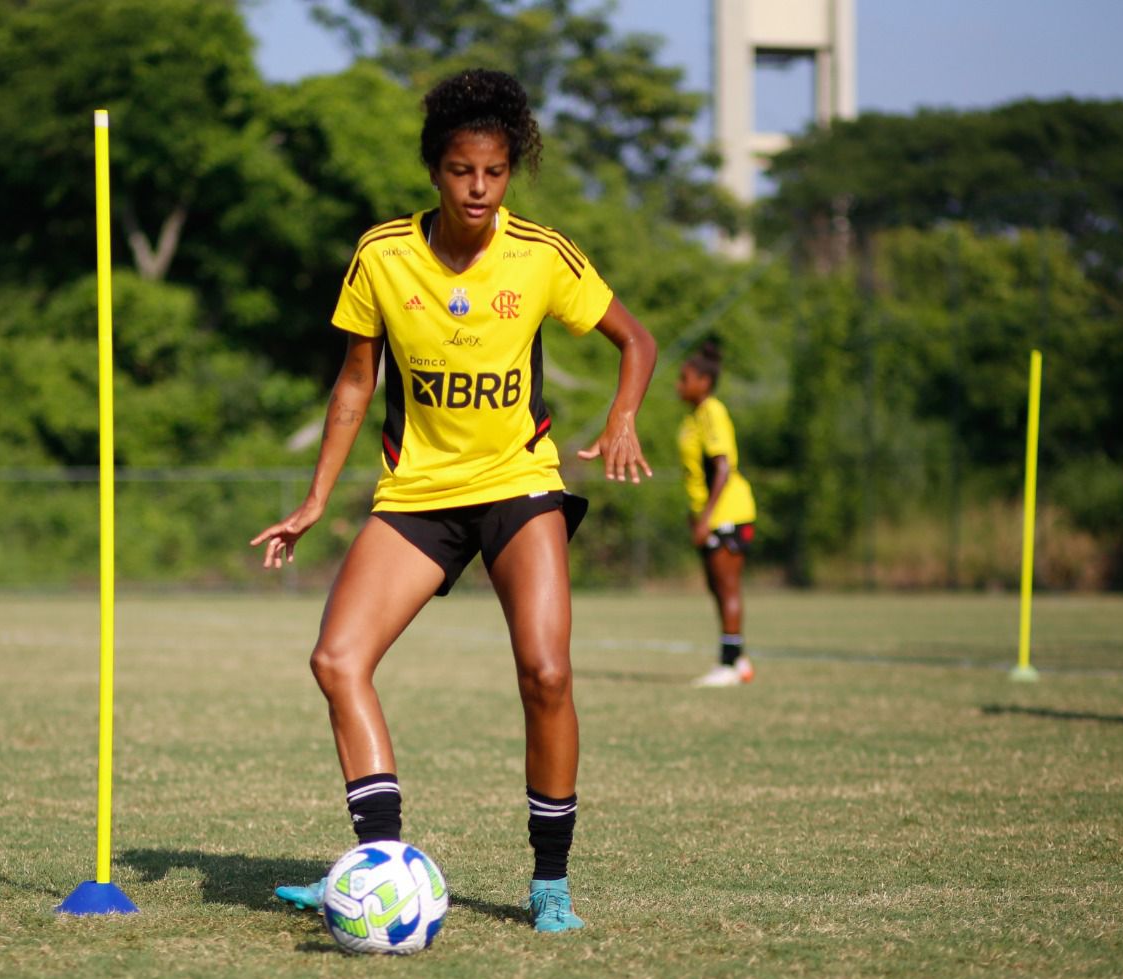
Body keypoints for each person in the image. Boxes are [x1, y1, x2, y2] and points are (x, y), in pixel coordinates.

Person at [249, 69, 657, 932]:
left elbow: (636, 340)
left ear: (511, 174)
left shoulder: (542, 256)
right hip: (418, 496)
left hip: (519, 487)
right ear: (436, 169)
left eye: (495, 173)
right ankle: (380, 865)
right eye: (462, 171)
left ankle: (550, 884)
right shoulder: (383, 255)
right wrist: (317, 498)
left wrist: (624, 417)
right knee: (336, 660)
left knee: (546, 673)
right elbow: (355, 385)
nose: (478, 189)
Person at [675, 341, 757, 687]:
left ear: (704, 382)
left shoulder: (712, 411)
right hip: (710, 514)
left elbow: (722, 468)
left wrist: (707, 517)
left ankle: (727, 664)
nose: (679, 385)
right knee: (716, 585)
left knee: (727, 586)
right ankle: (738, 660)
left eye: (685, 379)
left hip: (729, 513)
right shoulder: (694, 416)